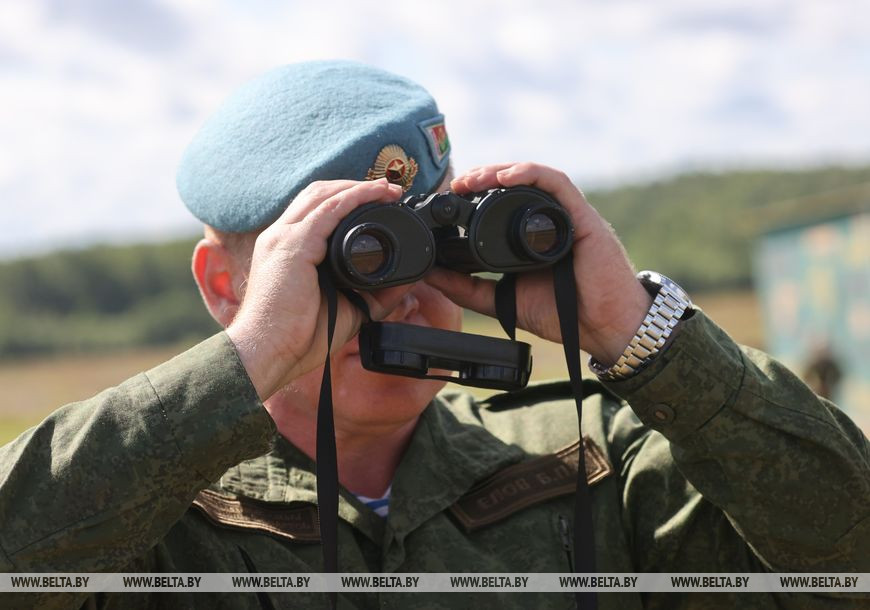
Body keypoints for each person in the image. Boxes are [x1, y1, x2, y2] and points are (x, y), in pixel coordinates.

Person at [0, 60, 867, 610]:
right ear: (227, 286)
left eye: (424, 240)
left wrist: (638, 331)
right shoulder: (140, 517)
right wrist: (252, 357)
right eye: (353, 254)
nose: (399, 294)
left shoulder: (599, 460)